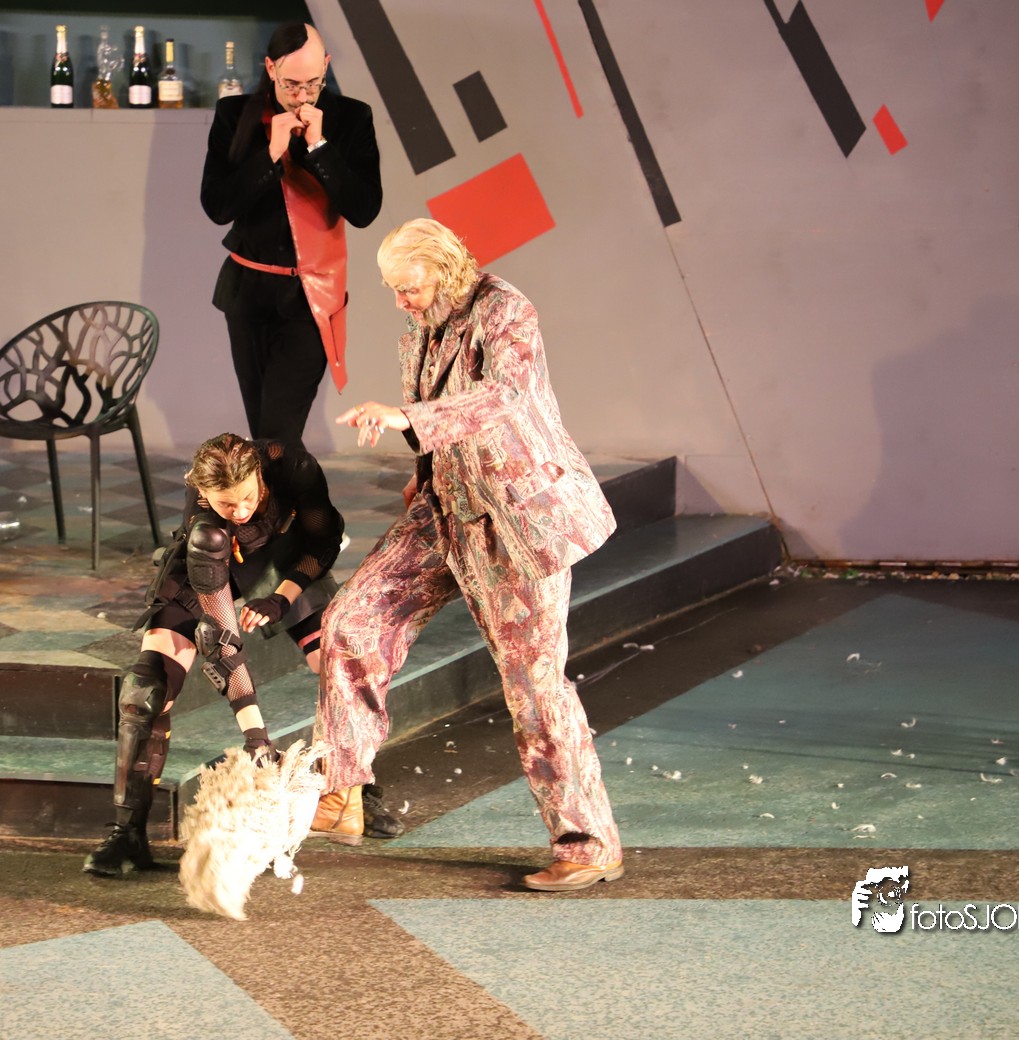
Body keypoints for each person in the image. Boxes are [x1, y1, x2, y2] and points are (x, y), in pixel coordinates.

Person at [309, 218, 625, 892]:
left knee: (535, 687)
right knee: (351, 623)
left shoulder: (506, 311)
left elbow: (503, 398)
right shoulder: (423, 328)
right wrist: (420, 472)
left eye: (408, 287)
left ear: (444, 266)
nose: (400, 301)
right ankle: (341, 789)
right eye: (393, 290)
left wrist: (410, 420)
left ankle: (587, 843)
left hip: (514, 520)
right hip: (445, 510)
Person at [83, 433, 399, 877]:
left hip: (284, 563)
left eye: (248, 497)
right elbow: (223, 644)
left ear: (259, 475)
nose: (242, 510)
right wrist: (257, 740)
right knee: (144, 694)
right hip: (209, 569)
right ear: (202, 490)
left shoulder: (292, 466)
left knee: (340, 665)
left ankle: (354, 787)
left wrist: (281, 599)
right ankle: (127, 834)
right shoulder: (207, 529)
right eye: (227, 504)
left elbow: (323, 541)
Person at [200, 21, 382, 446]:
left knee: (277, 437)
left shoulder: (352, 118)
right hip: (247, 293)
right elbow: (217, 207)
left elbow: (364, 210)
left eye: (313, 84)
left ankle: (293, 493)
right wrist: (269, 154)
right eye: (291, 84)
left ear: (326, 67)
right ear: (270, 68)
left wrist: (320, 148)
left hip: (311, 297)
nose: (302, 96)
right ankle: (282, 493)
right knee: (265, 437)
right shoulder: (234, 115)